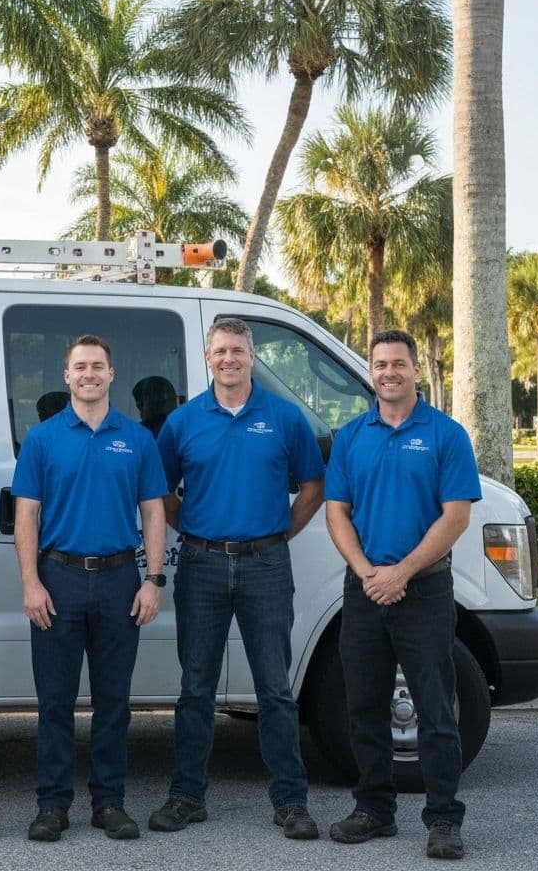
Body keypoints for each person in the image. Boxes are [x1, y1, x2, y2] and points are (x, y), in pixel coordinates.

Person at [148, 317, 324, 840]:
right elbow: (161, 490)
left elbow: (313, 485)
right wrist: (196, 528)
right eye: (220, 350)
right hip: (200, 565)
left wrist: (278, 535)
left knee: (275, 690)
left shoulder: (285, 418)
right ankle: (186, 797)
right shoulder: (182, 422)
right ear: (208, 357)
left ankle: (291, 801)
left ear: (251, 357)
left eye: (238, 351)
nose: (229, 359)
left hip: (266, 565)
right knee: (195, 688)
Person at [324, 329, 481, 861]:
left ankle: (443, 819)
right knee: (363, 704)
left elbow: (456, 515)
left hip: (426, 590)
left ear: (416, 370)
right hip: (364, 587)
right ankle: (374, 809)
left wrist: (402, 573)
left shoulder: (446, 434)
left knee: (435, 708)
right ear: (370, 372)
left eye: (398, 363)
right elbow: (336, 512)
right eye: (380, 364)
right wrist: (369, 571)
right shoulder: (351, 435)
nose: (388, 372)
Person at [12, 335, 167, 842]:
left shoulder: (138, 439)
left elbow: (153, 512)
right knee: (55, 702)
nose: (89, 374)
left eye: (98, 366)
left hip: (122, 580)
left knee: (113, 702)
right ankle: (52, 806)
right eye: (80, 367)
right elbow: (26, 513)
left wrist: (153, 580)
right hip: (58, 578)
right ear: (67, 375)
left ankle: (109, 803)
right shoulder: (43, 438)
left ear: (111, 374)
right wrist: (31, 582)